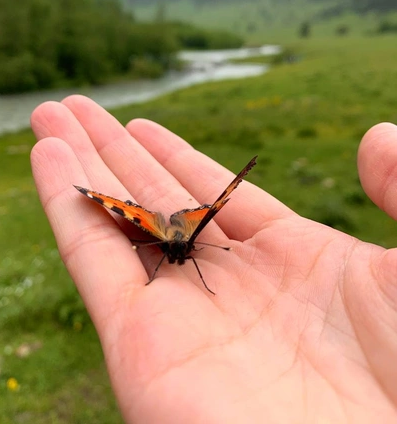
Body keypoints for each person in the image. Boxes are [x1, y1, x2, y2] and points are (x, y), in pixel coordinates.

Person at [30, 95, 397, 423]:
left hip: (177, 225)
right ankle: (118, 208)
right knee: (140, 228)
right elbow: (162, 243)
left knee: (161, 232)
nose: (183, 257)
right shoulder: (168, 244)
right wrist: (144, 238)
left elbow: (206, 227)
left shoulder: (188, 243)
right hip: (165, 227)